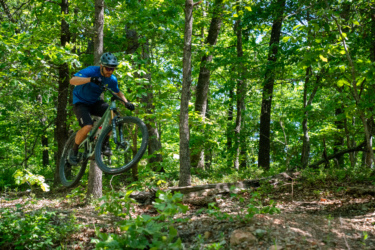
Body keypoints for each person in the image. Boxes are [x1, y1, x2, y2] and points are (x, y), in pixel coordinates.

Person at [68, 52, 134, 165]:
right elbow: (72, 80)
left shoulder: (112, 79)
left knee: (112, 112)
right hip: (80, 102)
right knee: (88, 126)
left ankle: (104, 144)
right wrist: (90, 79)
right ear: (101, 66)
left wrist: (126, 103)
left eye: (112, 69)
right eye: (108, 68)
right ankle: (73, 150)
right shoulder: (91, 71)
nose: (110, 71)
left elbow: (117, 92)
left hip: (95, 102)